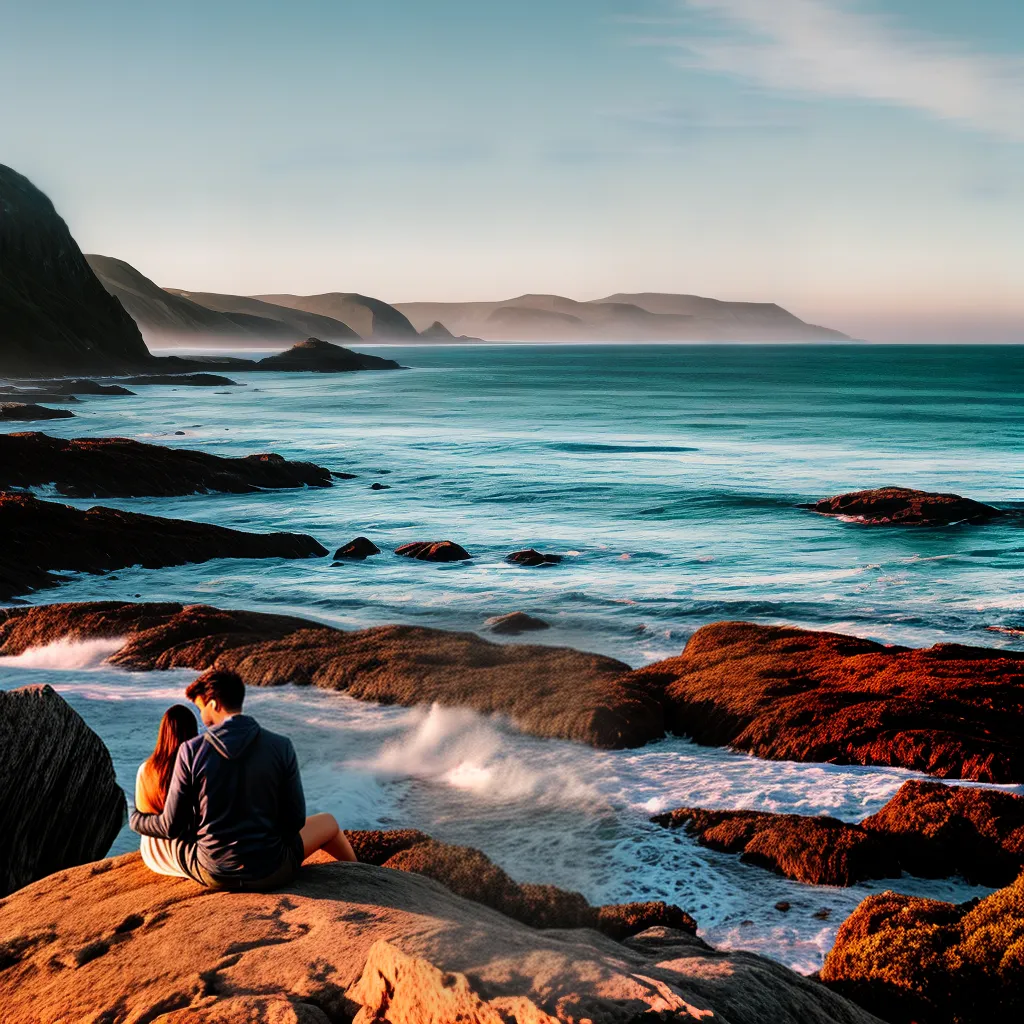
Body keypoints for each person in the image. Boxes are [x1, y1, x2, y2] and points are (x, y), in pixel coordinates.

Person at [130, 669, 356, 890]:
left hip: (215, 873)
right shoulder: (281, 746)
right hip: (272, 871)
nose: (201, 716)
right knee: (328, 821)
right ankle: (362, 875)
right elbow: (294, 821)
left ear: (214, 704)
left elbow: (171, 827)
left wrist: (137, 820)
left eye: (200, 707)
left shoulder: (190, 750)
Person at [135, 704, 199, 878]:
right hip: (183, 853)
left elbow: (144, 815)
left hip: (152, 854)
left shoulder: (145, 770)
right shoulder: (196, 770)